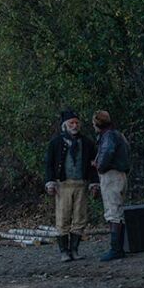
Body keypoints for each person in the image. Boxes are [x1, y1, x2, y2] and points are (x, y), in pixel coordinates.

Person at [44, 110, 99, 261]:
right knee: (63, 217)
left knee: (80, 218)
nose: (74, 126)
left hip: (81, 184)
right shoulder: (55, 142)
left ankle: (74, 250)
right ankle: (63, 252)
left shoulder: (87, 143)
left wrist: (94, 183)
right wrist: (50, 183)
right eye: (71, 123)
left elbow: (93, 165)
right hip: (63, 185)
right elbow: (49, 164)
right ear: (65, 125)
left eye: (76, 123)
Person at [92, 111, 131, 262]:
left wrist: (99, 165)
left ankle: (116, 249)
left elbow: (107, 152)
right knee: (116, 210)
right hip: (119, 174)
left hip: (112, 175)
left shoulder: (108, 136)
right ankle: (118, 248)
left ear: (97, 123)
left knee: (113, 211)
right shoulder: (117, 134)